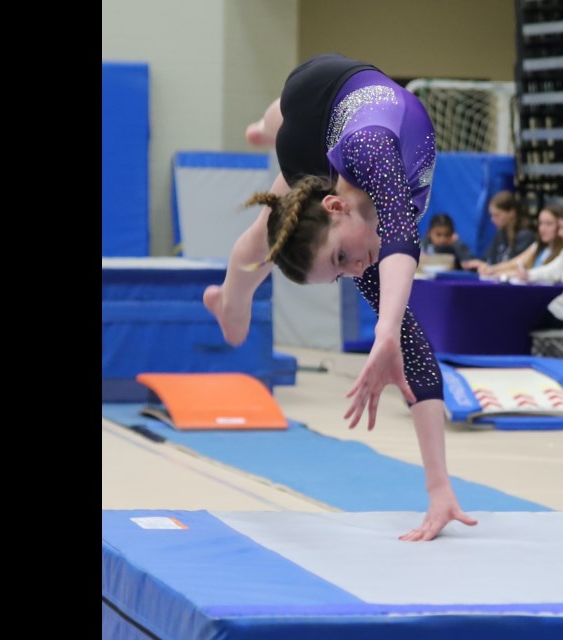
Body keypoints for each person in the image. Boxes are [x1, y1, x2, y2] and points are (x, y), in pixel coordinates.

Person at [202, 53, 478, 541]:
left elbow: (400, 238)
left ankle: (264, 126)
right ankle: (231, 297)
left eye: (340, 261)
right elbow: (409, 343)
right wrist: (439, 488)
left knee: (277, 136)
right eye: (341, 275)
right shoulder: (360, 243)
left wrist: (385, 329)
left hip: (321, 89)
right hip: (320, 149)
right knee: (272, 229)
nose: (355, 271)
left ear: (336, 206)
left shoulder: (372, 152)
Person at [516, 205, 563, 329]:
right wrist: (528, 275)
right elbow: (551, 270)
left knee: (526, 317)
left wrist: (557, 296)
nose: (559, 233)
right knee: (525, 314)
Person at [477, 204, 563, 278]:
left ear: (561, 226)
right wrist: (491, 269)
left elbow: (540, 273)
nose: (542, 229)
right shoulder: (537, 246)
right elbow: (514, 263)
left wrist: (494, 272)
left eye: (549, 224)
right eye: (540, 223)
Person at [461, 191, 536, 271]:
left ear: (511, 213)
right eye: (491, 215)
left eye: (497, 215)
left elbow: (515, 265)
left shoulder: (526, 236)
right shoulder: (501, 233)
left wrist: (489, 268)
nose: (492, 220)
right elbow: (487, 259)